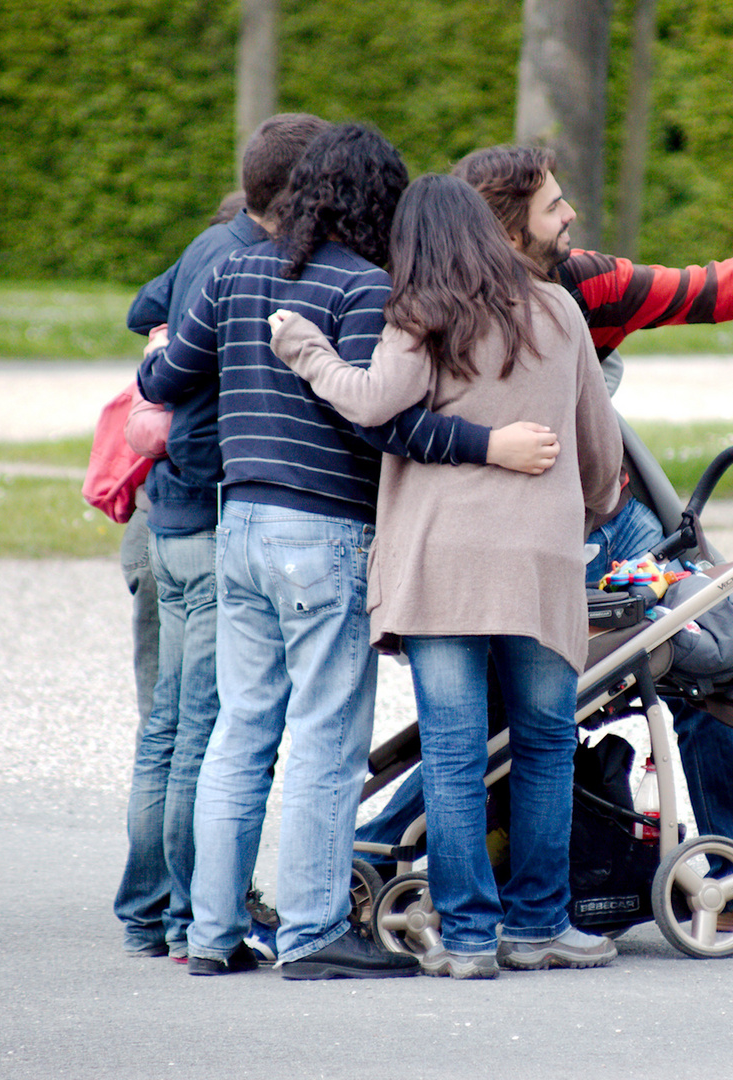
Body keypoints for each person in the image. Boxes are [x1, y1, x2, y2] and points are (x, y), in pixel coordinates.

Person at [359, 144, 733, 937]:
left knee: (700, 635)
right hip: (521, 529)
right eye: (552, 207)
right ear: (501, 232)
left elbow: (704, 289)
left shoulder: (583, 283)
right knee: (506, 711)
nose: (571, 215)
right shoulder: (435, 300)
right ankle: (381, 843)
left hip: (603, 515)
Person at [137, 123, 558, 980]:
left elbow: (163, 382)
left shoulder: (234, 271)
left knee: (240, 733)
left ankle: (211, 935)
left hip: (239, 525)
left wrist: (159, 356)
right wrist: (487, 446)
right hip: (323, 530)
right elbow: (387, 420)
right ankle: (313, 933)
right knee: (327, 734)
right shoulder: (365, 290)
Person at [270, 172, 624, 979]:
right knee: (544, 742)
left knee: (456, 751)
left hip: (440, 565)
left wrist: (305, 350)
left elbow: (371, 405)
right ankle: (541, 924)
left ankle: (468, 938)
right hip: (538, 562)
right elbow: (598, 449)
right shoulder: (559, 310)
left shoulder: (421, 314)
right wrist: (587, 512)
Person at [111, 114, 328, 962]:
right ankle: (186, 918)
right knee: (203, 728)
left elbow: (142, 312)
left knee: (168, 726)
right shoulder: (249, 263)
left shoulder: (210, 247)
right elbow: (194, 400)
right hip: (204, 509)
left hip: (165, 516)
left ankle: (144, 908)